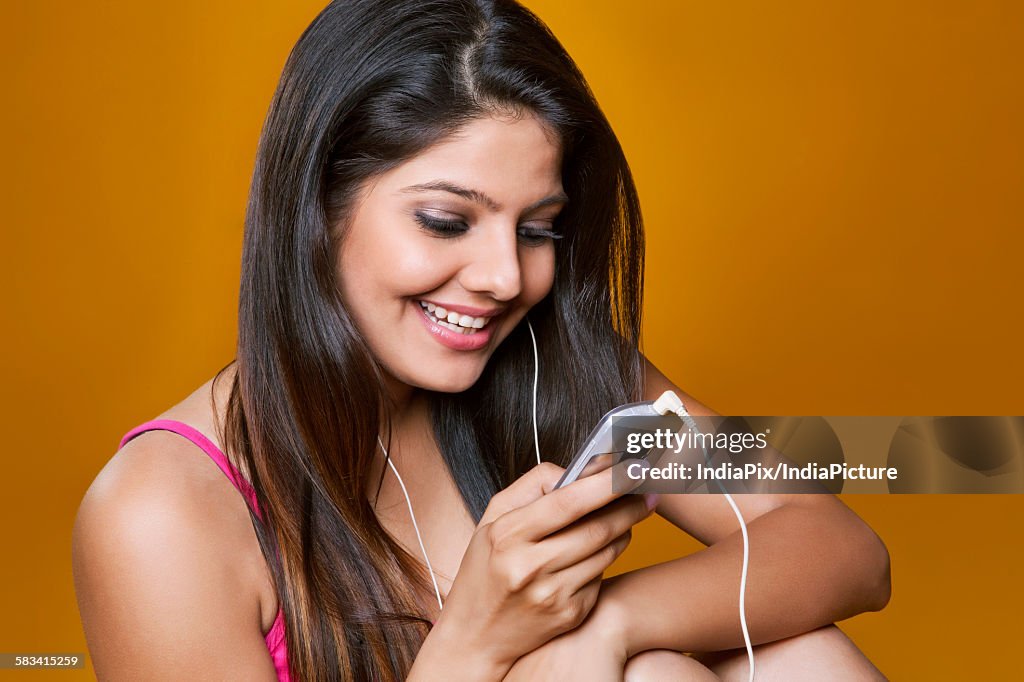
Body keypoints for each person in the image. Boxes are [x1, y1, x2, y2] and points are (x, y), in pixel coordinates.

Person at [72, 1, 891, 679]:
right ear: (318, 208)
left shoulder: (550, 366)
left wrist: (605, 626)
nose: (504, 276)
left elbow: (843, 546)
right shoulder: (160, 513)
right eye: (446, 221)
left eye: (538, 229)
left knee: (789, 655)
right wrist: (478, 643)